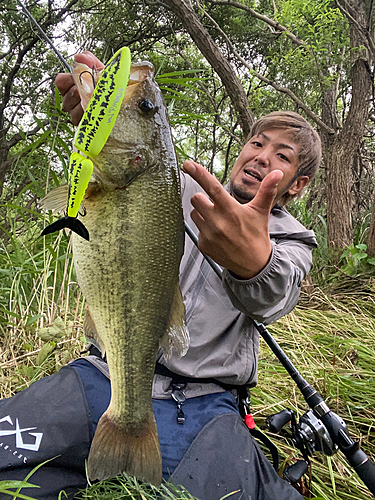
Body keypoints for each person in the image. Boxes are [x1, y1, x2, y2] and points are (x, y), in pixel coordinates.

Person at [0, 51, 321, 500]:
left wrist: (254, 263)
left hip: (206, 404)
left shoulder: (293, 240)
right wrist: (97, 122)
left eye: (280, 154)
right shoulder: (176, 183)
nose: (261, 157)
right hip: (104, 373)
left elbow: (277, 292)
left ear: (297, 185)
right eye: (257, 142)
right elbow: (104, 174)